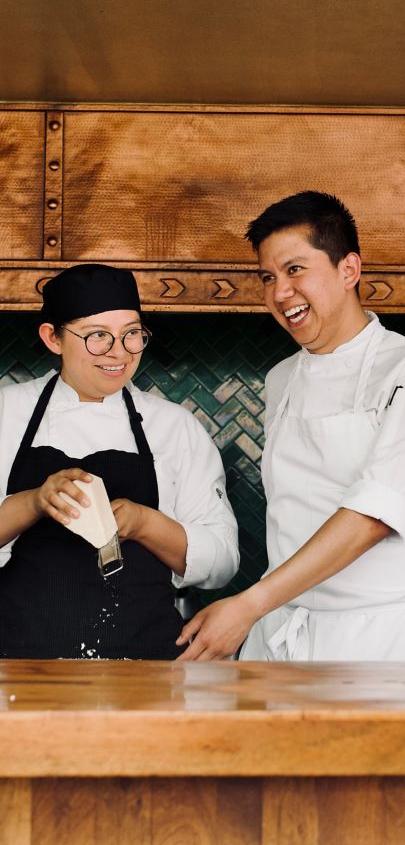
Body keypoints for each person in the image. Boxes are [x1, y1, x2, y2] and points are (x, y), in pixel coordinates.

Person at [178, 191, 405, 661]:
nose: (279, 292)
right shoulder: (281, 378)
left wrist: (249, 605)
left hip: (383, 637)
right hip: (283, 629)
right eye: (267, 277)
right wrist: (260, 611)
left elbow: (373, 515)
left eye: (295, 270)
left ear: (349, 270)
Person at [0, 264, 239, 659]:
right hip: (19, 667)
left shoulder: (174, 427)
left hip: (146, 669)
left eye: (132, 335)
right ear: (52, 338)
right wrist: (35, 502)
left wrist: (145, 523)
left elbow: (223, 562)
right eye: (98, 336)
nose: (119, 352)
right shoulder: (7, 413)